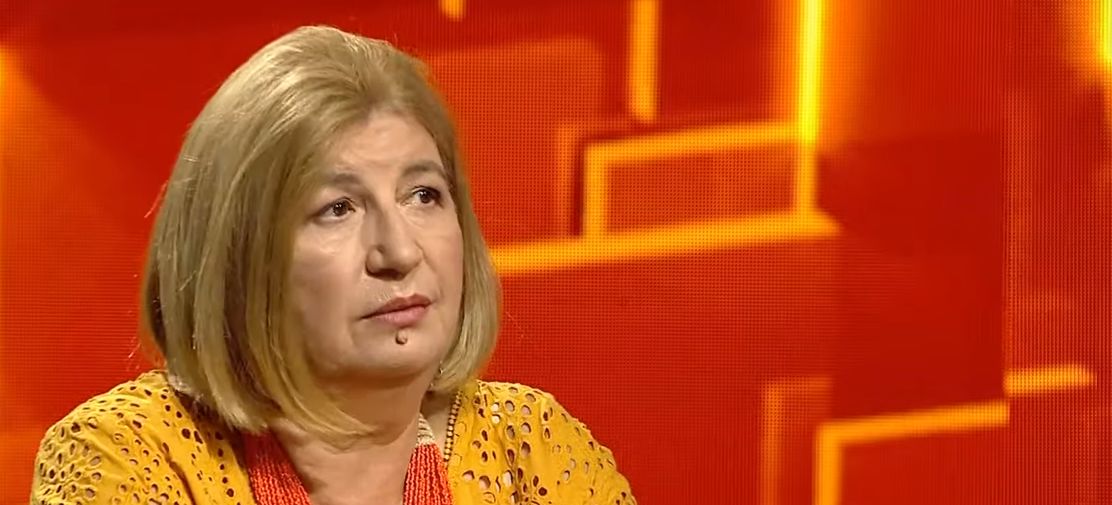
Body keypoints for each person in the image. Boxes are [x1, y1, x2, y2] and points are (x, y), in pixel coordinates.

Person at [30, 25, 635, 505]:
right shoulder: (129, 456)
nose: (400, 252)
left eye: (423, 195)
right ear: (239, 256)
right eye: (337, 208)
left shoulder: (530, 451)